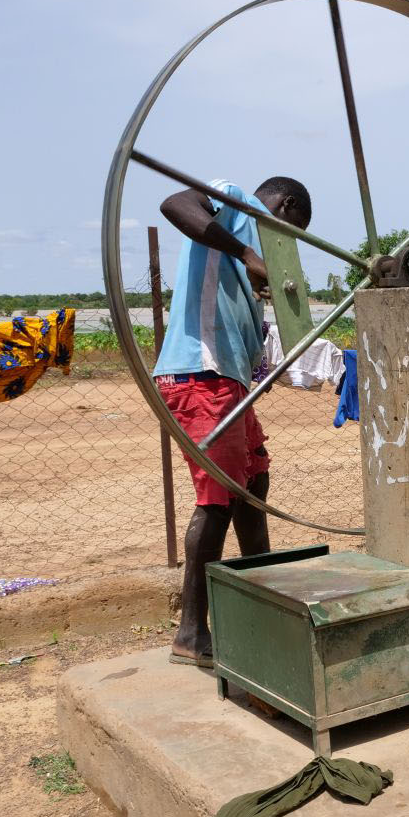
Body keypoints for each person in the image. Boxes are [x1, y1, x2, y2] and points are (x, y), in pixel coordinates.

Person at [153, 176, 312, 668]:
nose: (278, 245)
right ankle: (191, 633)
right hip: (200, 373)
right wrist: (247, 255)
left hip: (230, 381)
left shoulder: (244, 258)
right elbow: (176, 202)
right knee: (218, 500)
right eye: (289, 230)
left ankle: (259, 600)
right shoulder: (235, 200)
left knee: (254, 481)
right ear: (284, 206)